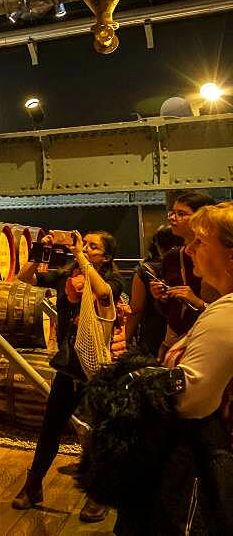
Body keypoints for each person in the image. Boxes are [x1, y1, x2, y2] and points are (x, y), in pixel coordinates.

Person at [11, 230, 125, 522]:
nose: (85, 249)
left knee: (100, 433)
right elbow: (24, 279)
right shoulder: (66, 277)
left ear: (107, 257)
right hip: (69, 365)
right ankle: (33, 486)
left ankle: (98, 496)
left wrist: (80, 258)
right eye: (83, 243)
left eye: (92, 247)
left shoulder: (112, 279)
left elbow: (103, 295)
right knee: (51, 427)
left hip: (98, 368)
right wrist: (41, 250)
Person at [153, 201, 233, 533]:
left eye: (201, 242)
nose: (190, 248)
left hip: (205, 471)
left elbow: (188, 399)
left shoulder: (226, 314)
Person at [151, 192, 217, 358]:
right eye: (172, 213)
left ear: (202, 216)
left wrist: (198, 303)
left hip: (210, 337)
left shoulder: (218, 256)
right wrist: (162, 297)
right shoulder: (173, 257)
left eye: (181, 214)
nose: (173, 218)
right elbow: (170, 310)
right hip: (178, 339)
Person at [126, 225, 183, 355]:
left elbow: (136, 310)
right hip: (186, 332)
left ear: (157, 244)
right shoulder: (194, 265)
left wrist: (126, 341)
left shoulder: (146, 270)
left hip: (154, 334)